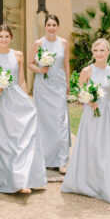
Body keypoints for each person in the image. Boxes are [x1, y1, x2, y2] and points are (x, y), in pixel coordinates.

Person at [62, 39, 110, 206]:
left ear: (108, 52)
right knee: (92, 146)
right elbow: (80, 92)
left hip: (108, 115)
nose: (99, 53)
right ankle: (88, 183)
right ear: (93, 52)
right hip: (92, 114)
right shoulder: (86, 70)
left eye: (102, 51)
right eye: (96, 50)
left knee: (107, 148)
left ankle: (105, 184)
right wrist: (89, 102)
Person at [0, 25, 46, 195]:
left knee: (20, 137)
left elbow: (21, 80)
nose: (4, 39)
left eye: (7, 36)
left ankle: (22, 178)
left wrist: (26, 100)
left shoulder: (18, 55)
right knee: (1, 139)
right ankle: (0, 177)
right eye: (1, 36)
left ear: (11, 38)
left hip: (15, 98)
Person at [28, 14, 71, 175]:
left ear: (57, 27)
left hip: (59, 84)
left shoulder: (63, 43)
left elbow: (66, 65)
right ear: (45, 27)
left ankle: (61, 160)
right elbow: (30, 64)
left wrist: (67, 84)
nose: (51, 28)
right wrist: (40, 69)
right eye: (49, 25)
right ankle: (45, 159)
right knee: (44, 121)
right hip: (43, 86)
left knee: (60, 121)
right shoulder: (38, 43)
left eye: (54, 25)